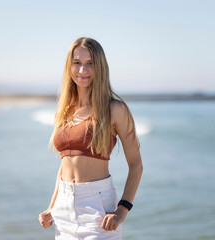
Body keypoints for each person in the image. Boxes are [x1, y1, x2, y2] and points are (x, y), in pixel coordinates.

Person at [38, 37, 143, 239]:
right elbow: (65, 164)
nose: (82, 70)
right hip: (63, 208)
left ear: (100, 67)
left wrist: (123, 208)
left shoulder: (115, 109)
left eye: (90, 64)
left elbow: (136, 164)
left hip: (98, 207)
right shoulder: (65, 110)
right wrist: (52, 207)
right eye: (77, 63)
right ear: (70, 66)